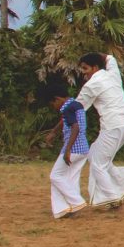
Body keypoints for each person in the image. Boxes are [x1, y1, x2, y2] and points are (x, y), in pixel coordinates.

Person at [76, 52, 124, 209]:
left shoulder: (91, 85)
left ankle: (113, 197)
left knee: (97, 164)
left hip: (112, 128)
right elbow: (110, 57)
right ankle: (122, 180)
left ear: (95, 67)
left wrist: (55, 130)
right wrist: (93, 54)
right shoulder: (112, 73)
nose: (83, 72)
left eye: (85, 68)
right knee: (94, 153)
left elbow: (75, 108)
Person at [43, 82, 90, 219]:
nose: (54, 107)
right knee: (71, 178)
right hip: (83, 149)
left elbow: (75, 127)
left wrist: (68, 150)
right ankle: (65, 209)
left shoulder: (66, 108)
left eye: (53, 104)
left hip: (73, 148)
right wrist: (54, 132)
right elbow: (66, 121)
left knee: (55, 176)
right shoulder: (76, 104)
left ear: (57, 99)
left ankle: (76, 201)